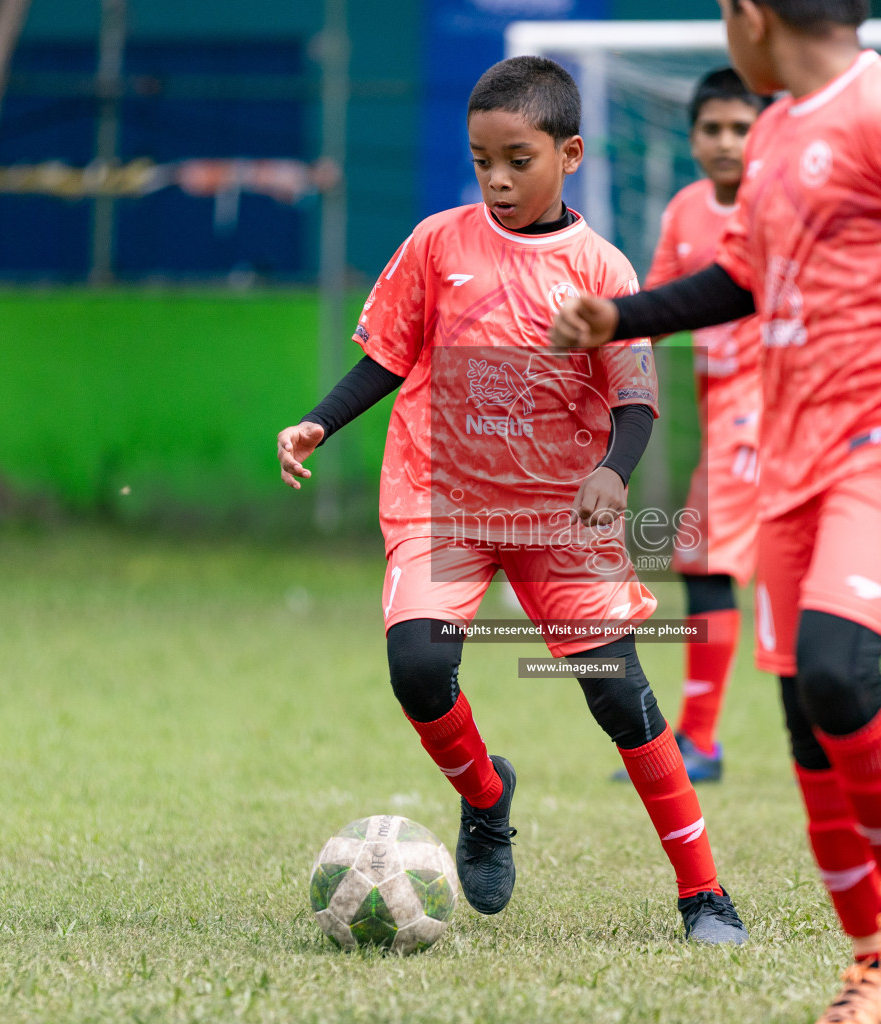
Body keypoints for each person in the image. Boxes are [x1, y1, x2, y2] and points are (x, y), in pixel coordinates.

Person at [550, 1, 881, 1020]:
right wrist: (625, 316)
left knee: (839, 666)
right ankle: (875, 955)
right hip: (797, 461)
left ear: (751, 14)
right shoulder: (782, 127)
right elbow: (740, 279)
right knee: (804, 719)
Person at [276, 56, 748, 945]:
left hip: (558, 516)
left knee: (620, 697)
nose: (496, 178)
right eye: (481, 158)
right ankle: (487, 800)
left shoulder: (601, 268)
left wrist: (613, 469)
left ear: (568, 154)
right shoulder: (437, 244)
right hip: (440, 499)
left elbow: (636, 397)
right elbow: (388, 356)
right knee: (418, 668)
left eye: (518, 159)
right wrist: (317, 424)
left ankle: (703, 896)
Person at [613, 68, 771, 787]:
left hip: (766, 411)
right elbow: (661, 304)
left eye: (742, 127)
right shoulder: (685, 210)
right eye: (713, 128)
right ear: (693, 138)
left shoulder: (785, 204)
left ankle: (701, 742)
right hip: (728, 414)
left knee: (704, 558)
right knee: (751, 568)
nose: (728, 141)